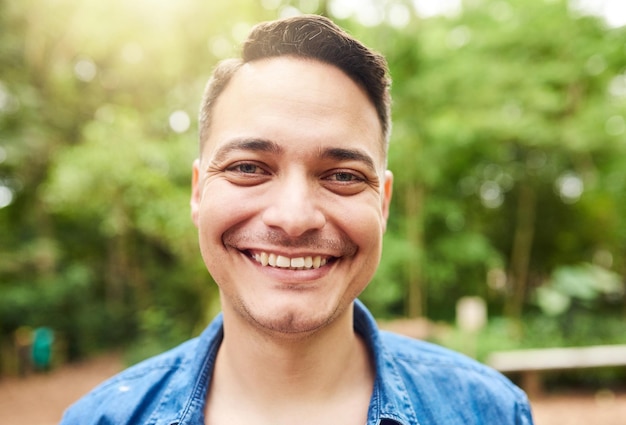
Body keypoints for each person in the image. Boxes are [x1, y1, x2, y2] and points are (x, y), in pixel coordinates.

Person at [61, 14, 534, 424]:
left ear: (383, 203)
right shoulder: (99, 420)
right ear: (198, 191)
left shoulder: (490, 411)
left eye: (343, 176)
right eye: (248, 168)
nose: (293, 218)